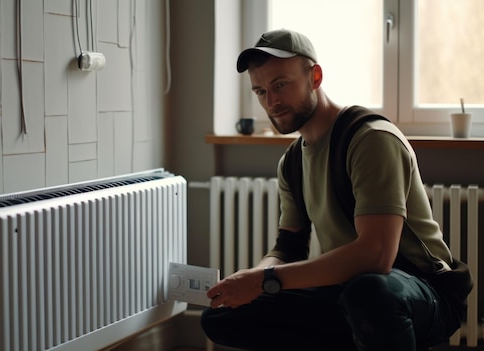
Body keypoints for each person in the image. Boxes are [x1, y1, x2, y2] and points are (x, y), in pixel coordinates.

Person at [200, 29, 473, 351]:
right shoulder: (292, 162)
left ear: (314, 76)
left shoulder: (370, 139)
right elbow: (288, 247)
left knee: (369, 293)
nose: (271, 102)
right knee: (222, 316)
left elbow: (377, 255)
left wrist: (266, 280)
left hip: (421, 290)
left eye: (281, 85)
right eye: (260, 91)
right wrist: (250, 280)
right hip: (350, 290)